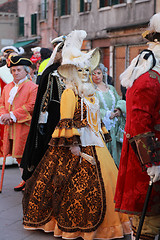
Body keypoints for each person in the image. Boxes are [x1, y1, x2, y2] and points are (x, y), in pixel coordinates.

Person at [22, 30, 131, 240]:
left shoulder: (91, 92)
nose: (85, 74)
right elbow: (65, 119)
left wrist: (101, 132)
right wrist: (73, 144)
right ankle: (73, 225)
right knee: (71, 187)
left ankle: (113, 225)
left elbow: (96, 118)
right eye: (80, 71)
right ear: (72, 72)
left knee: (109, 181)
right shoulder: (69, 92)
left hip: (95, 142)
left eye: (87, 71)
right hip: (77, 145)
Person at [114, 12, 160, 240]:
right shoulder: (149, 79)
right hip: (151, 158)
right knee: (148, 221)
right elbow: (139, 125)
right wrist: (152, 162)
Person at [20, 36, 66, 181]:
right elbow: (45, 98)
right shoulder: (51, 71)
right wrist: (43, 118)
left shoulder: (75, 71)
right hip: (54, 117)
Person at [0, 56, 38, 191]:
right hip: (10, 126)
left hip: (24, 126)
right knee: (15, 154)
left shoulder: (32, 87)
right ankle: (24, 179)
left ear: (26, 71)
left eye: (19, 70)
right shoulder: (7, 87)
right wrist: (4, 115)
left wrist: (12, 115)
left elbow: (31, 106)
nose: (15, 73)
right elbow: (2, 104)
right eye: (13, 70)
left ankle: (28, 180)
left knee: (23, 154)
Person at [92, 63, 126, 168]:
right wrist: (106, 114)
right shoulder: (91, 90)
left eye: (99, 73)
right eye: (93, 74)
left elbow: (120, 100)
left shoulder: (110, 88)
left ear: (103, 74)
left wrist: (119, 110)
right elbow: (92, 107)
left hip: (115, 126)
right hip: (102, 127)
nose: (96, 76)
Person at [0, 46, 24, 165]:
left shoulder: (24, 73)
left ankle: (17, 156)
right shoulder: (2, 72)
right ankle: (6, 155)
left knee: (20, 135)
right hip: (6, 108)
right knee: (6, 134)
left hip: (21, 111)